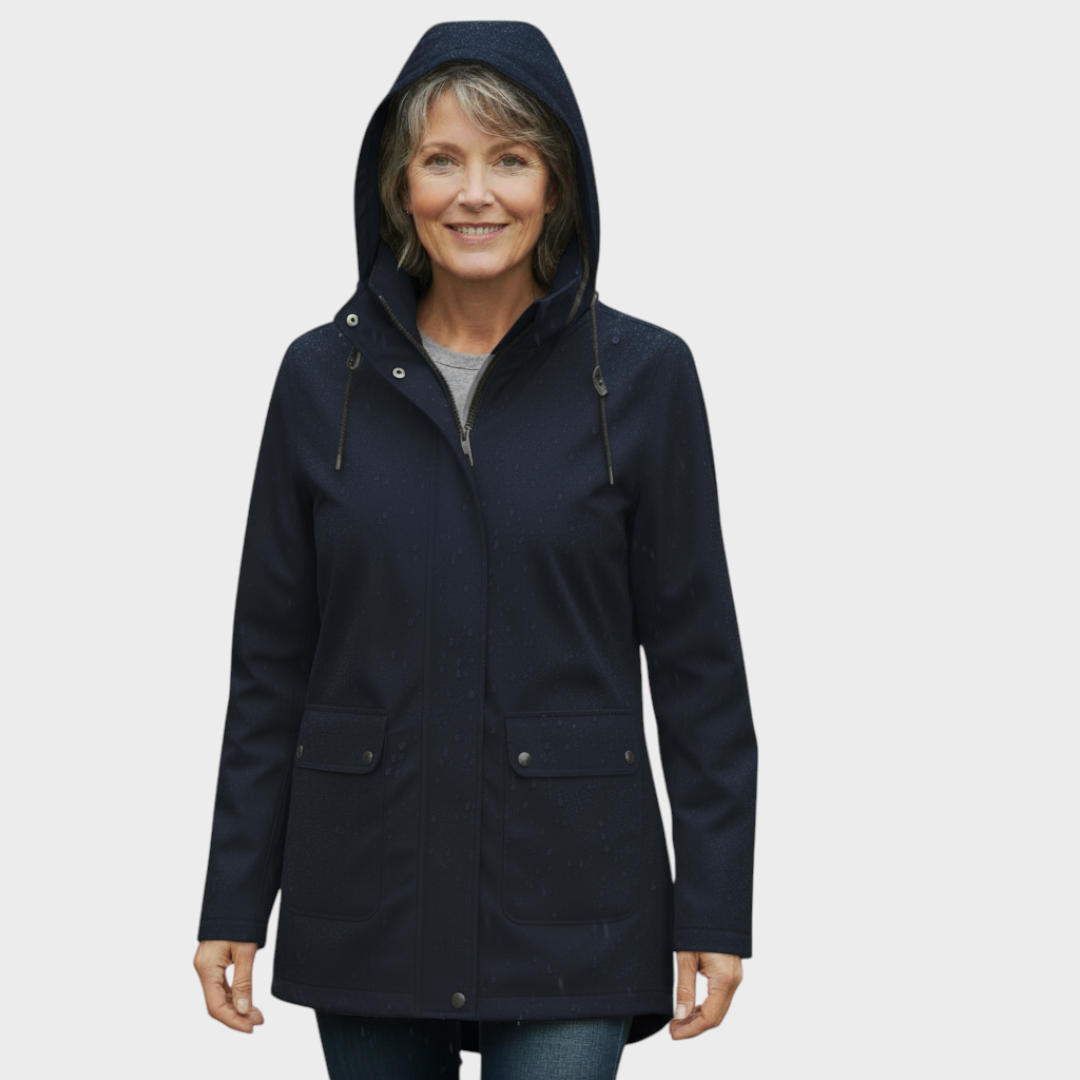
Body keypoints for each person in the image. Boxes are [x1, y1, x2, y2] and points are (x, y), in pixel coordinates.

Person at [194, 20, 758, 1080]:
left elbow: (699, 668)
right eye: (442, 160)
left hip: (574, 897)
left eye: (510, 160)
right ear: (398, 186)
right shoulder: (321, 380)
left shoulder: (643, 379)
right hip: (368, 884)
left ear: (557, 185)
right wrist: (234, 897)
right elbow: (270, 663)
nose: (475, 194)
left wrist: (717, 906)